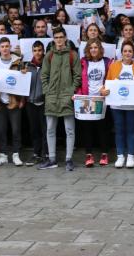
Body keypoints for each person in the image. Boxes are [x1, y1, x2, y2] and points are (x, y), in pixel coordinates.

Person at [39, 27, 82, 171]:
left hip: (67, 97)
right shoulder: (49, 55)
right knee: (50, 129)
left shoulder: (72, 55)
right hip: (51, 97)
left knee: (69, 130)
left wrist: (71, 91)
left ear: (65, 38)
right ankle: (52, 159)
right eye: (56, 37)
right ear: (53, 39)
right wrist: (47, 91)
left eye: (60, 37)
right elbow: (44, 75)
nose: (58, 40)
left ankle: (69, 159)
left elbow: (77, 76)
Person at [102, 40, 134, 168]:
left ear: (133, 53)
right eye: (125, 51)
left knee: (131, 130)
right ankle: (120, 156)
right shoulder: (114, 66)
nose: (127, 53)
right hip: (116, 104)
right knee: (119, 130)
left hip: (133, 105)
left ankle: (131, 156)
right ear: (121, 53)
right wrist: (104, 90)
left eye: (130, 51)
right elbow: (107, 82)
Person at [0, 36, 25, 167]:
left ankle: (16, 154)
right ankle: (3, 155)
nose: (5, 49)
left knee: (16, 130)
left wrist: (22, 100)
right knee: (1, 130)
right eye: (2, 47)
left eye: (7, 46)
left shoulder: (18, 62)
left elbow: (23, 83)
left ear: (10, 47)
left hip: (14, 101)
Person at [75, 39, 112, 167]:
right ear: (88, 50)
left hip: (102, 99)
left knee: (103, 128)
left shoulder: (107, 62)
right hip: (87, 99)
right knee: (87, 128)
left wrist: (106, 89)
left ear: (100, 49)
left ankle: (104, 154)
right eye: (91, 48)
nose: (94, 50)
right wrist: (78, 94)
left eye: (96, 47)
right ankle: (89, 155)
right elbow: (78, 79)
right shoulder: (83, 62)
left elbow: (111, 78)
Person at [22, 40, 48, 166]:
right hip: (30, 102)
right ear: (32, 51)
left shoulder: (48, 64)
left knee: (45, 129)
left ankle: (45, 154)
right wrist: (22, 74)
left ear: (43, 51)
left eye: (39, 50)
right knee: (34, 129)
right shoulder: (27, 66)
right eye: (35, 50)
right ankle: (36, 153)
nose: (37, 53)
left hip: (44, 102)